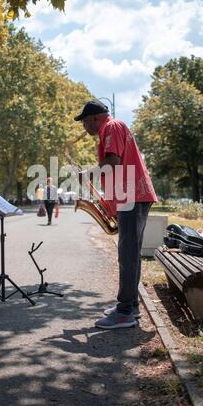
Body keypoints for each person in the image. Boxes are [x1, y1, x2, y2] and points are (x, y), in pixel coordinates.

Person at [74, 100, 158, 329]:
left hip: (133, 197)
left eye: (84, 122)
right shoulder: (113, 128)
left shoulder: (110, 127)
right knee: (131, 254)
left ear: (94, 118)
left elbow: (112, 163)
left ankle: (124, 313)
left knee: (128, 255)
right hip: (131, 197)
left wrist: (88, 175)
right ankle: (131, 307)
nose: (84, 127)